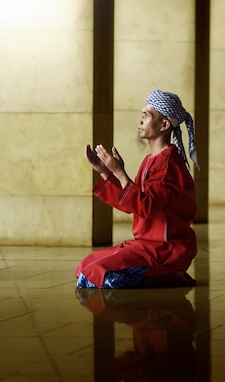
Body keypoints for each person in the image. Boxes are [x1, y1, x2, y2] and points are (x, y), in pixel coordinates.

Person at [76, 90, 199, 288]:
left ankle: (171, 275)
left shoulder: (167, 164)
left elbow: (146, 207)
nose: (139, 121)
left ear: (164, 124)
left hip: (165, 249)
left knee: (98, 275)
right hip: (145, 244)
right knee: (86, 266)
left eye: (147, 115)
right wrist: (106, 172)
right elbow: (133, 204)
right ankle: (164, 274)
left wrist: (120, 172)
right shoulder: (151, 160)